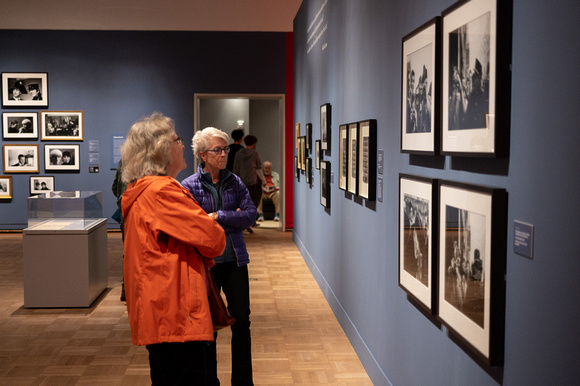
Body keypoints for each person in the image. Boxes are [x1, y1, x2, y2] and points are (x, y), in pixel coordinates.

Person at [120, 112, 226, 385]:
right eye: (177, 139)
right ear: (161, 150)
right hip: (176, 315)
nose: (182, 145)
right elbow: (214, 240)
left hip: (161, 309)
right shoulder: (162, 193)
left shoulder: (141, 189)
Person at [181, 127, 256, 386]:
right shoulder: (188, 186)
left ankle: (243, 382)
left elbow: (250, 215)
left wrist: (220, 216)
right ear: (203, 155)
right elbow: (190, 225)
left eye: (225, 149)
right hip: (205, 265)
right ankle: (209, 381)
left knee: (242, 322)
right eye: (217, 150)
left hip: (235, 261)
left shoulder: (234, 181)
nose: (224, 154)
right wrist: (223, 218)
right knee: (208, 326)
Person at [233, 134, 264, 214]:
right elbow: (258, 169)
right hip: (252, 182)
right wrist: (264, 181)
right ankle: (250, 220)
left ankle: (245, 220)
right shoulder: (254, 154)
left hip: (241, 182)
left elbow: (235, 169)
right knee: (255, 201)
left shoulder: (238, 153)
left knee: (242, 202)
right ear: (254, 144)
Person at [111, 159, 128, 300]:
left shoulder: (125, 159)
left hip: (125, 212)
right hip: (141, 213)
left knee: (127, 250)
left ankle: (126, 288)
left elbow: (114, 187)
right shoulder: (153, 159)